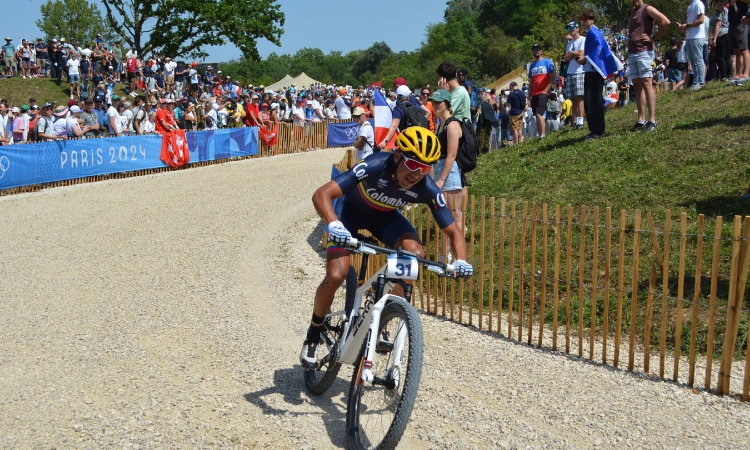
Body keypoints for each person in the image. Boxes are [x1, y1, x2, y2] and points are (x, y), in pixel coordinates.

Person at [300, 126, 473, 367]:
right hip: (349, 212)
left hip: (383, 219)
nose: (416, 174)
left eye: (424, 169)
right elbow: (322, 194)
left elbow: (453, 231)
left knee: (415, 256)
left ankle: (378, 311)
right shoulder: (375, 165)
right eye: (413, 165)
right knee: (336, 274)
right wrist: (334, 225)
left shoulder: (426, 187)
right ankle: (313, 333)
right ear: (397, 156)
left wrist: (461, 261)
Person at [428, 89, 464, 262]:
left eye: (438, 102)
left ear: (447, 104)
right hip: (441, 168)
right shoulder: (441, 124)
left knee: (454, 215)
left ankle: (457, 256)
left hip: (450, 171)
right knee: (445, 214)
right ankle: (446, 254)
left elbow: (451, 155)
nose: (435, 105)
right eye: (433, 102)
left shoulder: (452, 124)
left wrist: (441, 179)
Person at [579, 9, 621, 139]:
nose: (583, 22)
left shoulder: (594, 33)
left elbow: (598, 49)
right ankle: (593, 129)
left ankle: (598, 130)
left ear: (592, 20)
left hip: (594, 71)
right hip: (589, 70)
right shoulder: (590, 33)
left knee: (595, 101)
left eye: (585, 19)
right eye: (582, 20)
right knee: (588, 101)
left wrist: (585, 58)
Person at [628, 0, 670, 131]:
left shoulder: (647, 9)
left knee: (647, 83)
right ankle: (641, 119)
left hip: (644, 52)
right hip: (632, 52)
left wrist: (655, 38)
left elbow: (665, 21)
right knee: (636, 85)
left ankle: (652, 120)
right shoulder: (632, 11)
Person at [528, 43, 556, 139]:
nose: (536, 51)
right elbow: (531, 83)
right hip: (534, 94)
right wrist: (528, 97)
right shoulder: (532, 66)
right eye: (534, 50)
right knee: (536, 114)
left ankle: (543, 134)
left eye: (538, 49)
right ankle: (540, 135)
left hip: (542, 93)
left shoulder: (547, 62)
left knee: (539, 113)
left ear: (541, 51)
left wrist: (545, 90)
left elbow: (552, 77)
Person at [677, 0, 707, 90]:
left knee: (698, 59)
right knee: (692, 60)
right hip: (690, 37)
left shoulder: (698, 3)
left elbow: (701, 20)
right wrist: (683, 27)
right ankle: (696, 81)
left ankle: (701, 81)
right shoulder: (690, 6)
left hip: (697, 36)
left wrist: (686, 25)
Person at [564, 22, 586, 129]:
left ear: (577, 28)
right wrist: (573, 53)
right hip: (570, 72)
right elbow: (565, 59)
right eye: (569, 28)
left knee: (579, 96)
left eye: (572, 28)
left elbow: (581, 53)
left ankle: (581, 120)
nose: (570, 30)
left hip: (580, 71)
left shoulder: (583, 39)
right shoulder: (569, 43)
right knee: (572, 97)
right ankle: (575, 120)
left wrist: (571, 54)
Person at [507, 81, 526, 145]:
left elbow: (508, 105)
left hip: (514, 113)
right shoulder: (522, 93)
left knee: (515, 129)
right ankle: (520, 142)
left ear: (512, 86)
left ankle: (516, 143)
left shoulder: (511, 94)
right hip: (521, 112)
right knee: (520, 128)